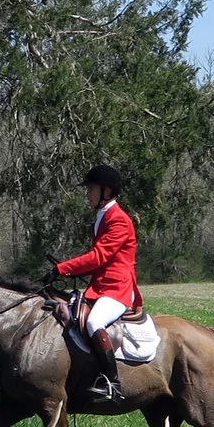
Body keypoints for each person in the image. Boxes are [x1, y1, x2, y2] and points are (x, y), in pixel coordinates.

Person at [46, 164, 140, 402]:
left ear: (106, 192)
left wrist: (62, 269)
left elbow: (99, 257)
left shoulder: (118, 219)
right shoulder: (103, 216)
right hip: (101, 287)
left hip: (118, 289)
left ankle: (112, 383)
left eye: (91, 189)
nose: (87, 193)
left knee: (94, 321)